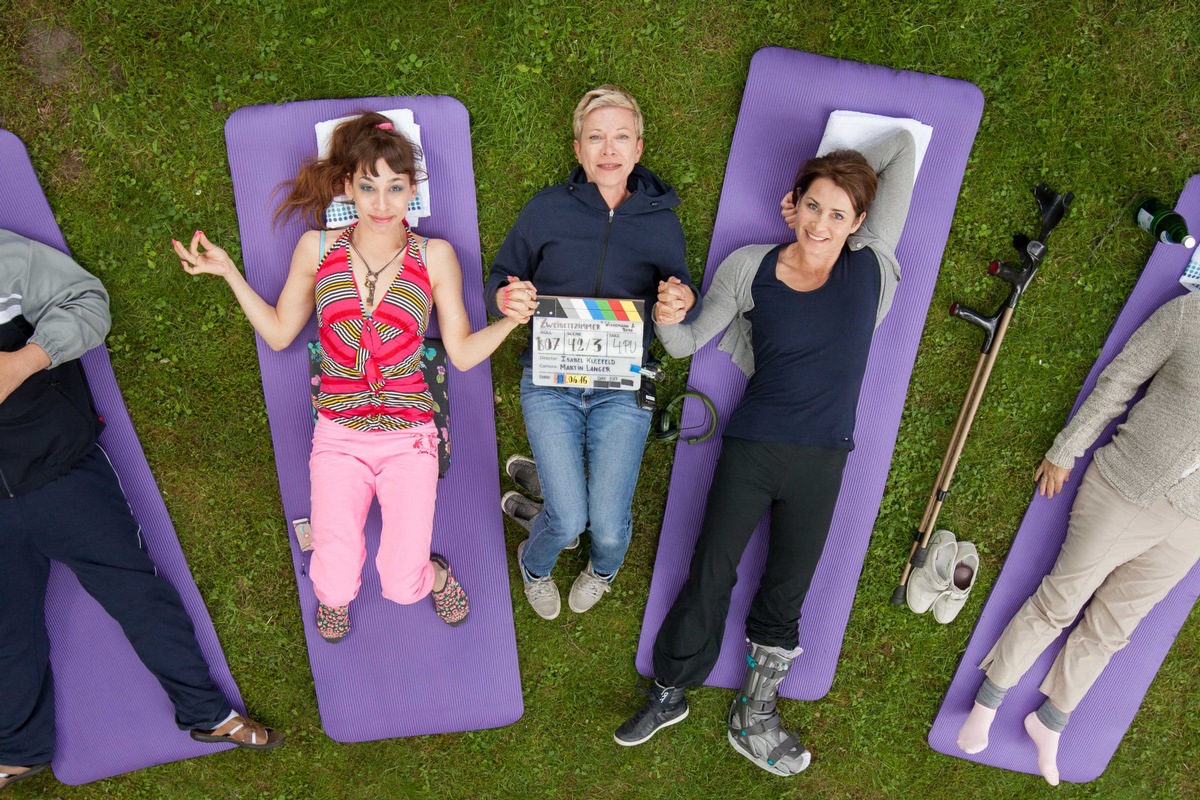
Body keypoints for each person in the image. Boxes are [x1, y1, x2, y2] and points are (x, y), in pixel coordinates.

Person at [613, 130, 917, 776]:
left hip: (822, 459)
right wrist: (668, 312)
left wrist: (834, 176)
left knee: (787, 589)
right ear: (793, 203)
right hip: (752, 447)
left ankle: (753, 716)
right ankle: (669, 691)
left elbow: (901, 152)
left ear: (860, 221)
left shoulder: (870, 265)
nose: (821, 223)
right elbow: (683, 344)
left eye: (838, 214)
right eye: (812, 206)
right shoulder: (750, 265)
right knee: (711, 571)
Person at [174, 112, 530, 642]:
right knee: (332, 584)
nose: (382, 204)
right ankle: (338, 590)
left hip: (410, 437)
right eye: (368, 187)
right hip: (338, 438)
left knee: (402, 583)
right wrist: (230, 274)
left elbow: (459, 353)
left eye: (395, 187)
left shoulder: (435, 256)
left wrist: (509, 321)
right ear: (348, 187)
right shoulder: (316, 249)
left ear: (412, 190)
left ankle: (434, 574)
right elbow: (277, 332)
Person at [0, 230, 283, 792]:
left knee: (139, 595)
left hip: (61, 469)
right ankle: (18, 748)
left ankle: (206, 714)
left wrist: (22, 362)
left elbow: (88, 302)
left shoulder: (4, 261)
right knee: (6, 631)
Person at [956, 292, 1200, 786]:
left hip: (1191, 526)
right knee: (1059, 601)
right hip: (1127, 487)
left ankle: (1050, 721)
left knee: (1113, 629)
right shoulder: (1188, 314)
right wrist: (1067, 447)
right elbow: (1122, 378)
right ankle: (986, 703)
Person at [484, 86, 700, 620]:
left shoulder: (661, 221)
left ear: (638, 148)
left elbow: (681, 290)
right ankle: (534, 565)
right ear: (578, 150)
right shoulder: (546, 210)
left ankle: (601, 568)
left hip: (623, 384)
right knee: (568, 518)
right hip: (551, 381)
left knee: (605, 521)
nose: (609, 149)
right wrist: (504, 297)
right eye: (596, 138)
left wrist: (680, 301)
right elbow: (500, 276)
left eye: (620, 137)